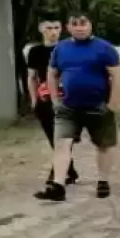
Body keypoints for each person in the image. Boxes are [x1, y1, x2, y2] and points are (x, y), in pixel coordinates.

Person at [35, 12, 120, 202]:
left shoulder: (105, 48)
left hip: (98, 106)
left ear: (90, 25)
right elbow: (52, 73)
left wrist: (113, 103)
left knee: (104, 145)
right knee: (61, 144)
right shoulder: (61, 49)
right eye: (75, 24)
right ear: (69, 27)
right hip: (68, 107)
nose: (80, 27)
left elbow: (117, 75)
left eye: (84, 24)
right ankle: (58, 185)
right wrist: (54, 100)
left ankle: (103, 181)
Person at [25, 17, 79, 187]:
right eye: (49, 27)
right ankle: (69, 171)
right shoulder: (35, 51)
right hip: (45, 99)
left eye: (56, 27)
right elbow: (32, 77)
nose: (53, 31)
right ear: (41, 29)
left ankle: (57, 174)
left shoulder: (68, 48)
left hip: (66, 98)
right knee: (53, 138)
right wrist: (34, 99)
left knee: (63, 137)